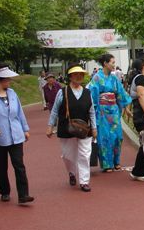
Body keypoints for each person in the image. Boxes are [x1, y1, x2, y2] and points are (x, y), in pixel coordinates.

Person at [0, 64, 34, 204]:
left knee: (19, 165)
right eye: (6, 78)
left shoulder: (12, 93)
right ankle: (4, 191)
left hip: (16, 135)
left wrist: (25, 129)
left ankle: (23, 194)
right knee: (1, 167)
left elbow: (19, 112)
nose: (9, 80)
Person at [47, 64, 97, 192]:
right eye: (76, 74)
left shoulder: (87, 92)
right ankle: (71, 172)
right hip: (66, 127)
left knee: (85, 154)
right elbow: (54, 110)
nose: (79, 76)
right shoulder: (62, 92)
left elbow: (92, 111)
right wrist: (50, 126)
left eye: (81, 74)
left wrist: (95, 127)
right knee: (67, 155)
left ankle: (84, 181)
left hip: (84, 128)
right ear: (70, 77)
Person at [88, 54, 132, 172]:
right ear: (105, 63)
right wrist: (94, 112)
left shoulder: (114, 79)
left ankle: (116, 161)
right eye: (112, 62)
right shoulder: (97, 78)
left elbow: (121, 94)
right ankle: (107, 164)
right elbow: (92, 95)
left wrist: (126, 108)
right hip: (102, 112)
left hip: (114, 111)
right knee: (104, 137)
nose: (114, 64)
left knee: (118, 137)